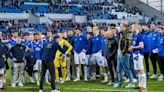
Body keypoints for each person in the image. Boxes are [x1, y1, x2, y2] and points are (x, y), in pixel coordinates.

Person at [113, 23, 134, 88]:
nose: (120, 27)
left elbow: (127, 44)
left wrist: (123, 52)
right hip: (120, 52)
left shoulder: (128, 33)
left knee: (127, 68)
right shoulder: (121, 33)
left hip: (124, 53)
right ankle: (120, 83)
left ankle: (131, 83)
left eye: (121, 26)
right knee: (119, 69)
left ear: (124, 27)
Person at [129, 24, 146, 91]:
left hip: (139, 54)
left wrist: (133, 47)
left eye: (132, 27)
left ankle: (143, 86)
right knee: (138, 71)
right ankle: (140, 85)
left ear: (136, 28)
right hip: (135, 54)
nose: (131, 29)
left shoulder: (139, 35)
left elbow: (141, 46)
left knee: (141, 70)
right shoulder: (135, 35)